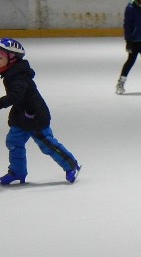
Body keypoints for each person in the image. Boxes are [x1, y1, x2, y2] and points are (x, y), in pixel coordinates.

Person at [0, 38, 81, 186]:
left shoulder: (19, 76)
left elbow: (15, 95)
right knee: (13, 142)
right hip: (20, 116)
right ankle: (17, 172)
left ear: (12, 59)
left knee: (47, 144)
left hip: (34, 116)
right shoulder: (11, 73)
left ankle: (71, 165)